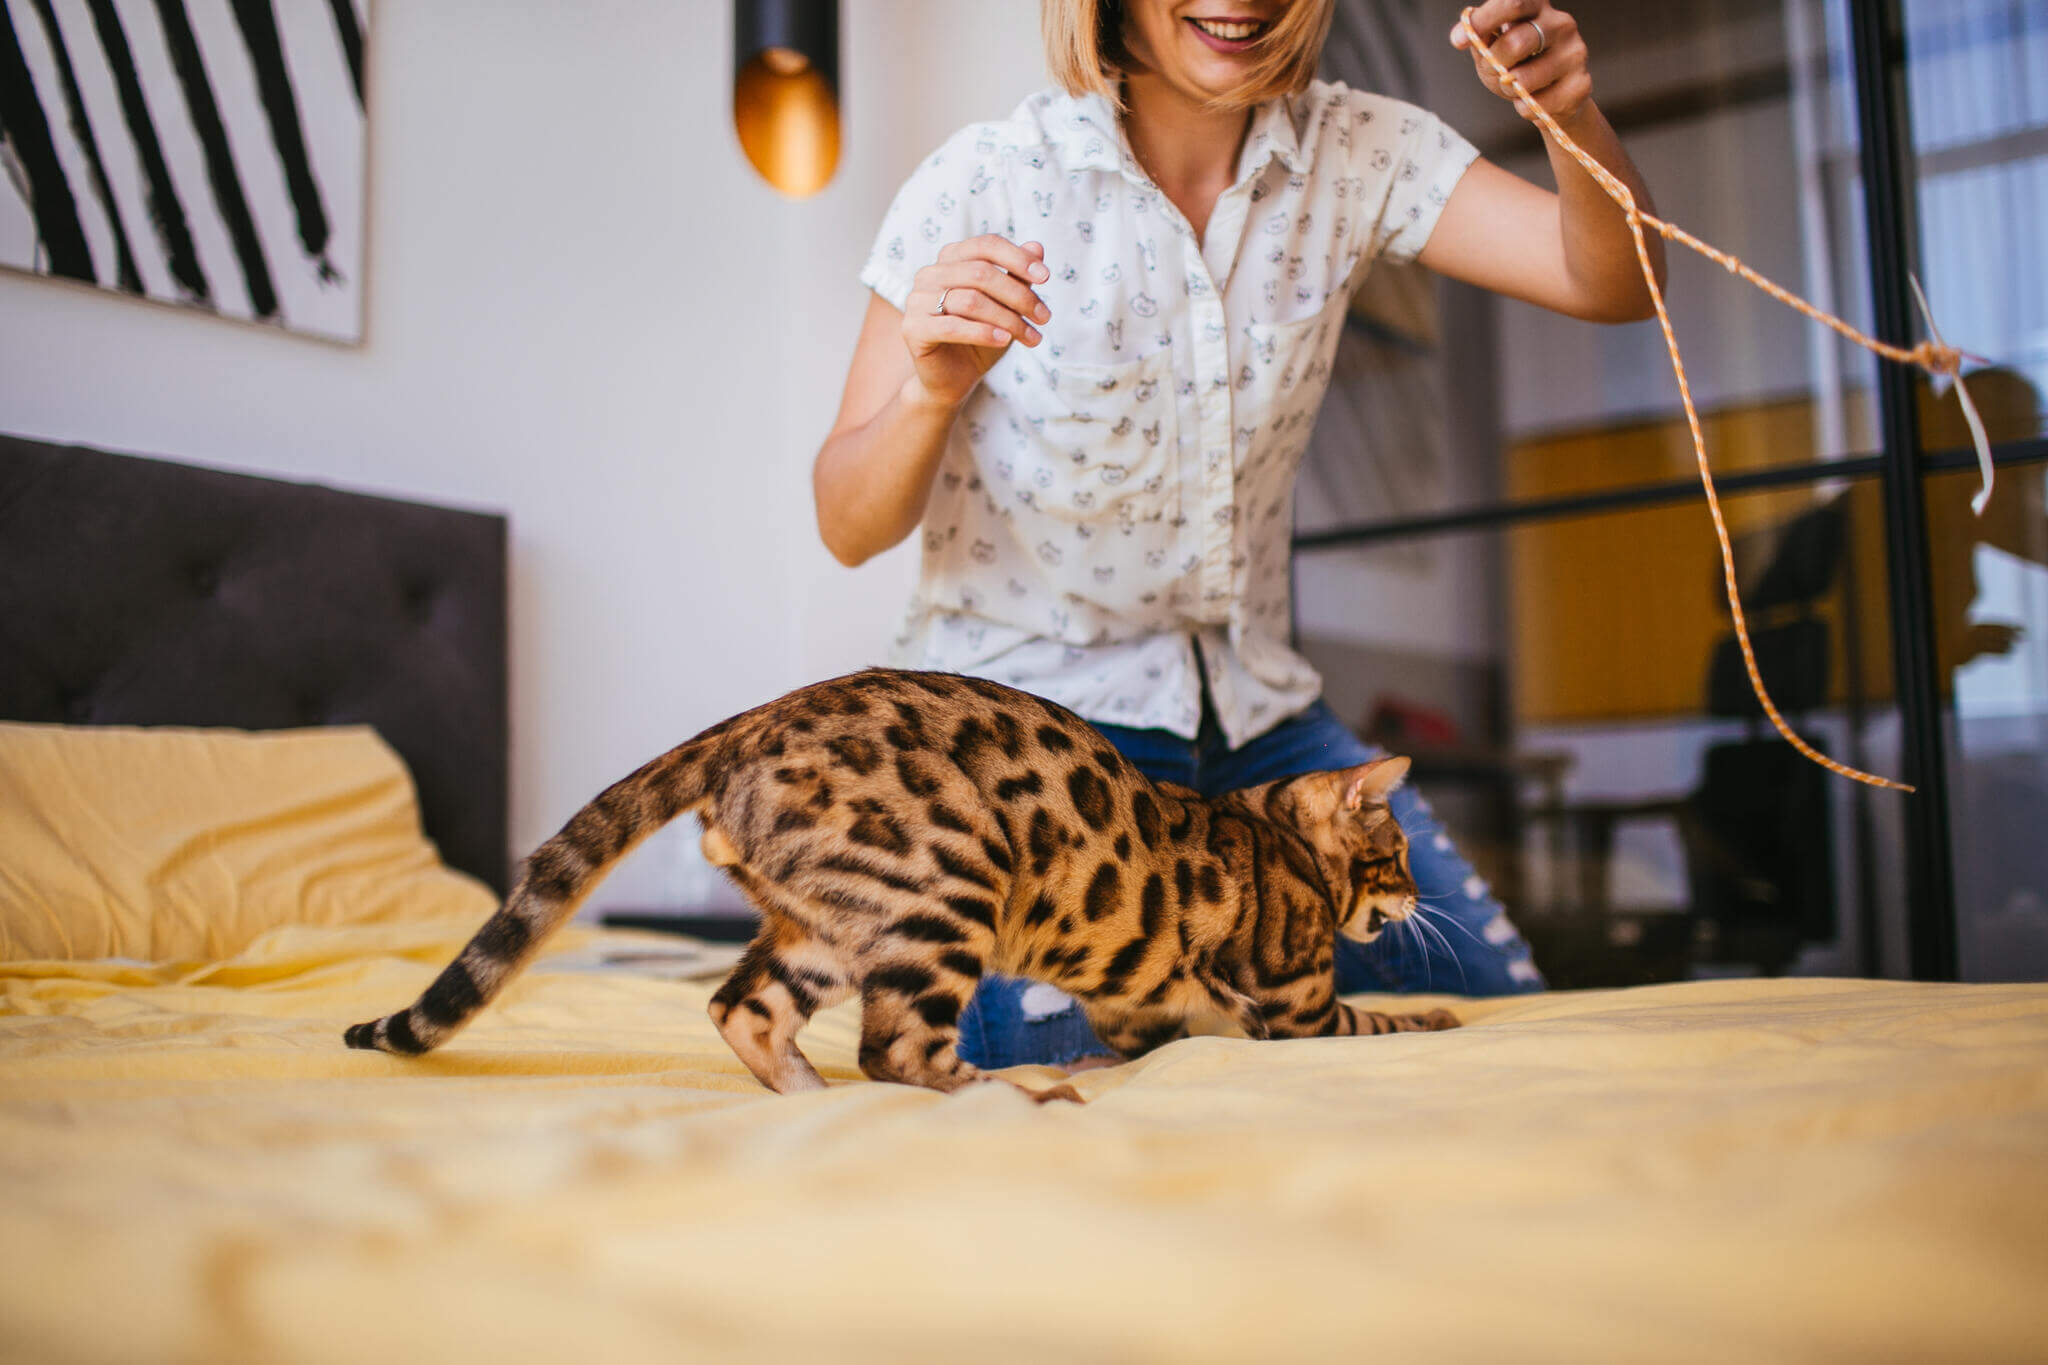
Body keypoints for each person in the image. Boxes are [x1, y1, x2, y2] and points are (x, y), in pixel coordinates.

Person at [812, 0, 1666, 1067]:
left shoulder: (1358, 149)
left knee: (1498, 1027)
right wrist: (927, 397)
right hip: (1039, 743)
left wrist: (1568, 115)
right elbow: (846, 523)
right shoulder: (981, 179)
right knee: (1072, 1088)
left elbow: (1616, 282)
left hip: (1262, 723)